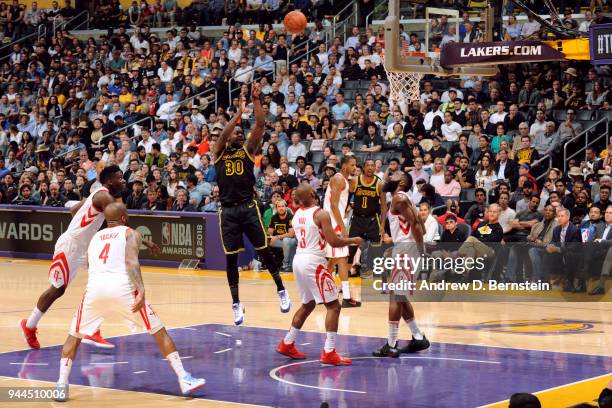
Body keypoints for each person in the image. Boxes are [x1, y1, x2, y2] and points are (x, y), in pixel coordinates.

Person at [53, 203, 205, 401]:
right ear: (124, 217)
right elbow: (131, 260)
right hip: (123, 289)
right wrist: (141, 289)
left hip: (95, 290)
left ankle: (61, 385)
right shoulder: (130, 233)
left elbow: (92, 263)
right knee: (158, 331)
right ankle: (184, 378)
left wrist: (147, 243)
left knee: (74, 336)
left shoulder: (95, 238)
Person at [20, 166, 160, 349]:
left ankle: (92, 330)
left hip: (85, 248)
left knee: (102, 282)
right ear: (110, 181)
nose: (124, 181)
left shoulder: (97, 193)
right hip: (72, 245)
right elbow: (122, 222)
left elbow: (73, 211)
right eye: (120, 178)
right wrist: (147, 242)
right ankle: (29, 325)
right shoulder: (105, 197)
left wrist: (88, 220)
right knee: (57, 289)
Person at [212, 83, 290, 325]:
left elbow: (259, 125)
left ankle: (281, 289)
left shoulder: (247, 151)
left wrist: (255, 101)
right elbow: (223, 135)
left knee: (264, 249)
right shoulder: (218, 154)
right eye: (235, 132)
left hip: (247, 206)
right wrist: (237, 114)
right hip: (228, 211)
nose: (237, 133)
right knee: (231, 260)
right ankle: (236, 303)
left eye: (239, 132)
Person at [276, 184, 362, 365]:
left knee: (308, 304)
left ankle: (287, 343)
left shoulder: (297, 215)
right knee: (334, 306)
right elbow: (334, 241)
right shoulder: (320, 214)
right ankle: (329, 351)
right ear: (313, 194)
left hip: (299, 260)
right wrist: (352, 240)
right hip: (313, 262)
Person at [373, 171, 430, 357]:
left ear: (403, 181)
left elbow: (415, 223)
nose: (389, 176)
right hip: (405, 248)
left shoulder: (399, 197)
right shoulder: (404, 198)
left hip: (407, 251)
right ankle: (418, 337)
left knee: (395, 296)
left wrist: (420, 251)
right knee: (400, 295)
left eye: (394, 174)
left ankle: (391, 344)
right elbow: (420, 221)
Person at [324, 155, 361, 307]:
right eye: (352, 165)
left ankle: (321, 291)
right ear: (344, 166)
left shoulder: (344, 180)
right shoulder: (338, 179)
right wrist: (342, 226)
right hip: (333, 223)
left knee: (333, 260)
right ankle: (346, 297)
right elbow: (333, 205)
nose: (355, 168)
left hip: (333, 221)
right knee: (343, 259)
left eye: (356, 165)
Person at [348, 159, 386, 276]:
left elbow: (384, 206)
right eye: (368, 165)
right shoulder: (355, 181)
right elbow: (346, 200)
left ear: (375, 168)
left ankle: (383, 282)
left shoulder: (380, 183)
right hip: (357, 219)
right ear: (363, 168)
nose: (370, 168)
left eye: (372, 165)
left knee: (377, 252)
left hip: (373, 220)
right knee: (351, 251)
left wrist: (383, 225)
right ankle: (344, 282)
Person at [545, 208, 583, 292]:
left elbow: (573, 247)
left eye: (562, 216)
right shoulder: (556, 229)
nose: (559, 218)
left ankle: (570, 282)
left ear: (568, 217)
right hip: (560, 252)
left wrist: (558, 249)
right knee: (546, 253)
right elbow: (553, 242)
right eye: (558, 216)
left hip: (574, 253)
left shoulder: (575, 230)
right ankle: (546, 280)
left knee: (568, 254)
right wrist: (549, 246)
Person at [268, 199, 296, 272]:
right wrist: (269, 237)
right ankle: (266, 264)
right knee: (266, 241)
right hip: (279, 241)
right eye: (279, 206)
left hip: (291, 240)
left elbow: (291, 234)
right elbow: (270, 233)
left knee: (286, 240)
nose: (281, 208)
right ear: (276, 208)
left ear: (286, 207)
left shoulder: (291, 217)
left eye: (283, 206)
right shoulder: (274, 217)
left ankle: (285, 264)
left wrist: (277, 237)